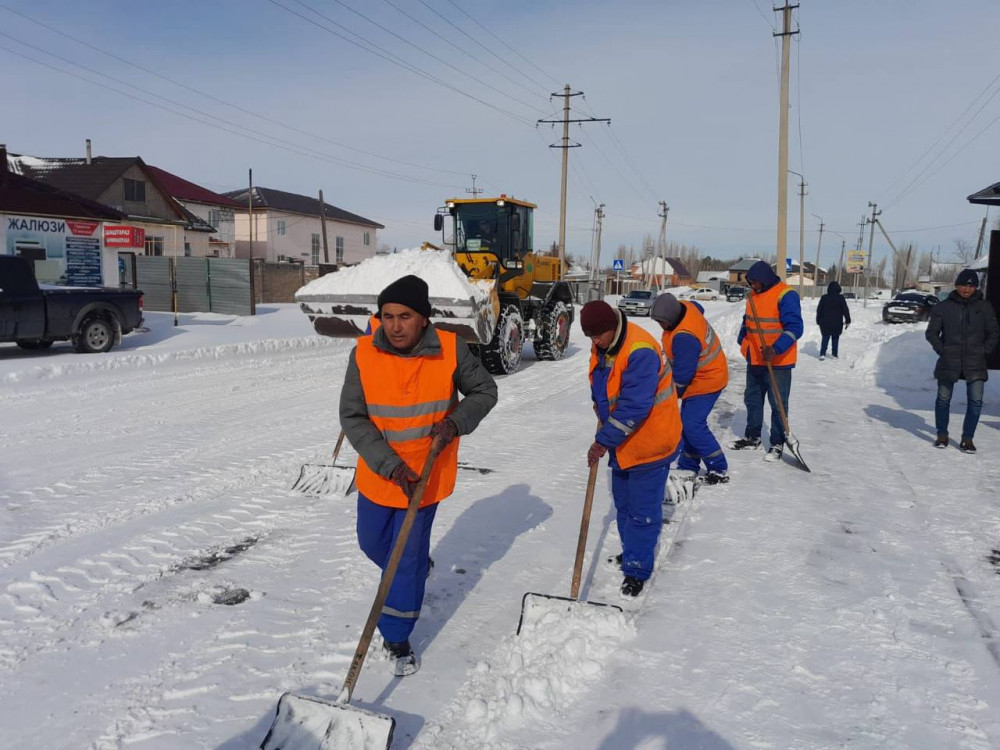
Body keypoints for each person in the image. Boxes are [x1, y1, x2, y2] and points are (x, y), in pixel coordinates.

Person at [339, 275, 498, 675]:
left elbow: (484, 391)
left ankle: (397, 636)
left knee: (404, 560)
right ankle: (412, 571)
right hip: (382, 472)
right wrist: (390, 466)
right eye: (388, 316)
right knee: (371, 542)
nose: (394, 326)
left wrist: (455, 423)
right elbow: (353, 417)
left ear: (424, 319)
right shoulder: (363, 353)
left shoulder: (449, 349)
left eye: (405, 316)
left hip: (425, 476)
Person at [581, 300, 682, 597]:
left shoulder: (640, 351)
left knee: (642, 510)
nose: (594, 342)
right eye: (590, 337)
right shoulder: (604, 344)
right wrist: (602, 416)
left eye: (597, 336)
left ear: (612, 328)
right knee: (623, 504)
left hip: (652, 442)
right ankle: (632, 552)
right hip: (624, 441)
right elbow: (603, 385)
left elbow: (635, 406)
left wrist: (603, 441)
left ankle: (638, 568)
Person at [650, 293, 730, 484]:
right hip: (704, 374)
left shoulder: (685, 337)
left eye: (662, 322)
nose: (661, 326)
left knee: (693, 424)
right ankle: (688, 465)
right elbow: (698, 308)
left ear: (671, 318)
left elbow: (683, 376)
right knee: (687, 423)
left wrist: (668, 396)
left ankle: (718, 467)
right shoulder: (686, 307)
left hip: (707, 380)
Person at [733, 260, 804, 462]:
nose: (753, 286)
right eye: (751, 283)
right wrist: (743, 343)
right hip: (755, 359)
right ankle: (753, 436)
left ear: (765, 279)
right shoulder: (752, 296)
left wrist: (776, 349)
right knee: (753, 400)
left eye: (756, 282)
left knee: (778, 403)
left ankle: (777, 443)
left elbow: (795, 327)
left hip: (778, 361)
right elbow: (747, 323)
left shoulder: (786, 295)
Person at [925, 269, 999, 453]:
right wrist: (942, 350)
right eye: (963, 285)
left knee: (975, 401)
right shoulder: (943, 307)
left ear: (975, 287)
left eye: (971, 285)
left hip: (976, 362)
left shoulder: (984, 307)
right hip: (949, 360)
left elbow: (993, 332)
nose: (966, 289)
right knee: (943, 399)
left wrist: (984, 350)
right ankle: (942, 435)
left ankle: (967, 439)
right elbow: (932, 333)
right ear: (956, 285)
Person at [816, 280, 851, 360]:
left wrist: (818, 320)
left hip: (825, 322)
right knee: (835, 338)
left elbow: (819, 310)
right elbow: (845, 310)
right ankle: (834, 354)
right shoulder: (840, 298)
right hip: (837, 322)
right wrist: (848, 320)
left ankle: (822, 354)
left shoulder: (824, 298)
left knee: (825, 337)